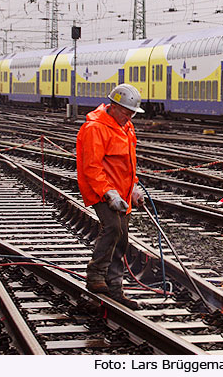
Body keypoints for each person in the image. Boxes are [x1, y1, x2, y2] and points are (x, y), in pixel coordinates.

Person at [76, 83, 145, 310]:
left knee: (122, 237)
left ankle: (115, 288)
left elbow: (128, 164)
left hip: (122, 192)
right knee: (113, 228)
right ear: (113, 106)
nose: (129, 117)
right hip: (101, 190)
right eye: (126, 113)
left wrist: (133, 188)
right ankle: (96, 274)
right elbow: (92, 167)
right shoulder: (95, 128)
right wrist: (108, 193)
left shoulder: (127, 127)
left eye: (132, 113)